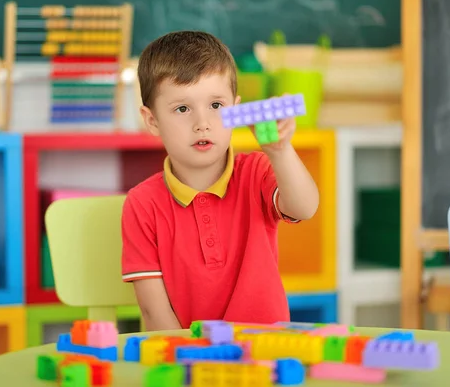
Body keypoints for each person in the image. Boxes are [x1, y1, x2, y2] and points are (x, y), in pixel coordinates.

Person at [121, 31, 319, 331]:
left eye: (216, 106)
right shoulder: (142, 204)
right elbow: (154, 313)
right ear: (152, 121)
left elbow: (304, 208)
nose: (202, 123)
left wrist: (280, 152)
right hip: (192, 362)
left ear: (235, 109)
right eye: (182, 109)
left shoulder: (257, 171)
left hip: (264, 354)